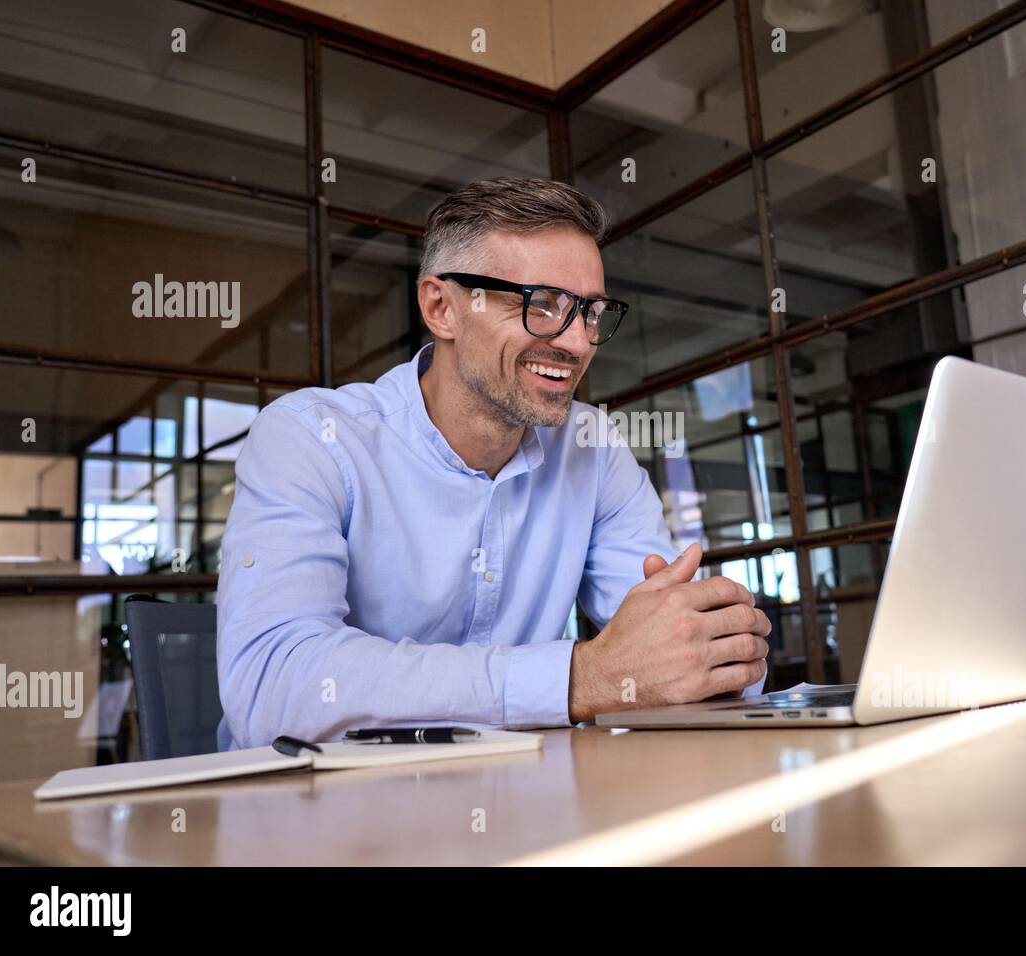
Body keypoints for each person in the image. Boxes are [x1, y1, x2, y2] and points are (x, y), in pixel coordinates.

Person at [216, 177, 770, 749]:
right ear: (441, 308)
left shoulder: (591, 446)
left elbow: (671, 653)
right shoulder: (313, 437)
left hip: (522, 800)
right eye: (542, 305)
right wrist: (580, 678)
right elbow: (270, 685)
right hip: (315, 816)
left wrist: (714, 649)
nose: (578, 343)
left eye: (590, 312)